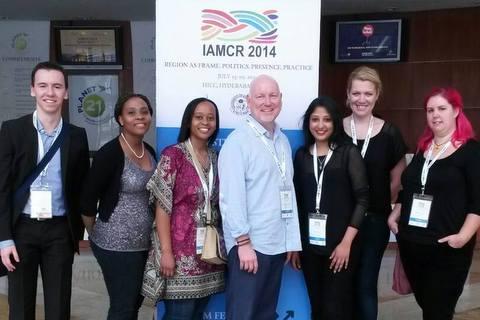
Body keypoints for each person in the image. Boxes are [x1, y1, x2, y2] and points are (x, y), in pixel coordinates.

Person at [0, 61, 90, 319]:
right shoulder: (12, 130)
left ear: (66, 92)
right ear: (32, 90)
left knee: (59, 307)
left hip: (60, 231)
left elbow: (81, 187)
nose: (49, 92)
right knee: (19, 307)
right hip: (21, 230)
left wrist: (83, 230)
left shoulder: (77, 136)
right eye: (43, 85)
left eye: (56, 86)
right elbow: (2, 188)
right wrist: (4, 238)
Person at [388, 87, 480, 320]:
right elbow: (410, 186)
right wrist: (395, 212)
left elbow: (477, 201)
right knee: (427, 306)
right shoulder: (424, 149)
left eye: (442, 108)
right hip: (413, 244)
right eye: (430, 110)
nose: (435, 115)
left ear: (456, 111)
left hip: (447, 248)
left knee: (439, 310)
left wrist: (462, 238)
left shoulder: (471, 151)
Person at [218, 75, 302, 320]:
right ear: (249, 101)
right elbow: (230, 198)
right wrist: (243, 244)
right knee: (243, 315)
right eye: (260, 96)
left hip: (276, 245)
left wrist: (291, 241)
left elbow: (287, 192)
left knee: (265, 315)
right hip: (251, 247)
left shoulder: (282, 141)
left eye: (273, 95)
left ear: (281, 99)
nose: (267, 102)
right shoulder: (238, 143)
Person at [146, 97, 224, 320]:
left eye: (211, 118)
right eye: (199, 117)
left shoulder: (216, 158)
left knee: (198, 315)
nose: (205, 122)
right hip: (180, 256)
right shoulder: (174, 155)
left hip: (209, 256)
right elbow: (162, 206)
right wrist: (166, 253)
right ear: (188, 121)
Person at [81, 93, 156, 320]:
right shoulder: (110, 153)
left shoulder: (150, 151)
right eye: (131, 112)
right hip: (115, 245)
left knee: (134, 304)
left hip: (145, 243)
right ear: (121, 119)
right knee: (123, 307)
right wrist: (96, 233)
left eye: (144, 111)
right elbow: (87, 200)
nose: (139, 117)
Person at [294, 96, 369, 320]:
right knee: (317, 307)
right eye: (315, 119)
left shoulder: (348, 153)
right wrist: (296, 244)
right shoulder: (301, 155)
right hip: (310, 248)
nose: (320, 125)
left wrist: (346, 243)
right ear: (308, 123)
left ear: (335, 123)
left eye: (326, 119)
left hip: (341, 247)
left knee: (337, 309)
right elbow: (297, 201)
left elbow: (363, 199)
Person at [342, 66, 407, 320]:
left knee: (366, 285)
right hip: (340, 223)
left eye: (367, 93)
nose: (361, 99)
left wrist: (372, 205)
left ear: (377, 94)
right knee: (342, 284)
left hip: (374, 221)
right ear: (347, 94)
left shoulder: (390, 133)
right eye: (356, 93)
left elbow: (398, 178)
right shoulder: (335, 129)